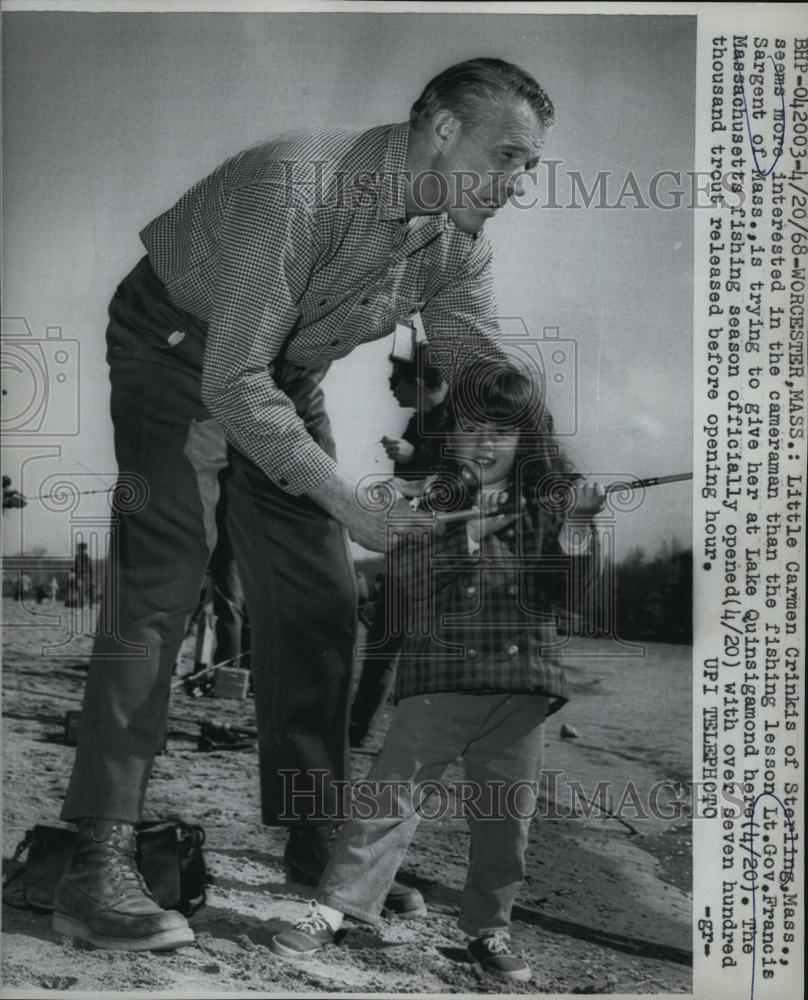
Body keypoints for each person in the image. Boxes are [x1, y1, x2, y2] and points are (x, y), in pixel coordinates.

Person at [53, 58, 554, 952]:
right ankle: (97, 855)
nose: (520, 185)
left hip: (279, 374)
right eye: (510, 157)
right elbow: (231, 383)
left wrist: (548, 463)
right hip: (177, 348)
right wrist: (350, 503)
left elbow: (480, 375)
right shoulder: (298, 185)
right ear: (441, 129)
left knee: (322, 602)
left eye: (531, 167)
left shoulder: (459, 245)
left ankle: (314, 835)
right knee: (162, 585)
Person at [269, 363, 605, 982]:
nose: (484, 444)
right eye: (471, 428)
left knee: (507, 818)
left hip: (521, 687)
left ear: (527, 440)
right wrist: (470, 533)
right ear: (449, 437)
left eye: (502, 432)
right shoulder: (427, 500)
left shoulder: (549, 501)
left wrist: (579, 525)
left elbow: (573, 597)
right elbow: (412, 583)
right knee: (386, 800)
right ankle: (332, 909)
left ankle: (489, 929)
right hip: (437, 684)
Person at [350, 343, 449, 746]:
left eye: (397, 381)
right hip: (408, 550)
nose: (391, 388)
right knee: (382, 643)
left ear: (421, 382)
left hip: (443, 557)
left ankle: (426, 741)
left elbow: (459, 483)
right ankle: (356, 732)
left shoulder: (461, 422)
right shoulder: (415, 422)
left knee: (429, 654)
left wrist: (415, 455)